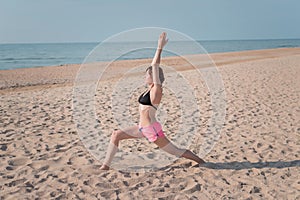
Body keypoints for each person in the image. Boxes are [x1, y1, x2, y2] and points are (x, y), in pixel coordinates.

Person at [100, 32, 205, 170]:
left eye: (147, 74)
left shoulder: (157, 90)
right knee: (116, 135)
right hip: (142, 128)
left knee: (175, 151)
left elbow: (155, 65)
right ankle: (106, 166)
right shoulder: (148, 90)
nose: (145, 76)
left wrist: (159, 48)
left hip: (151, 129)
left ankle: (201, 161)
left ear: (154, 77)